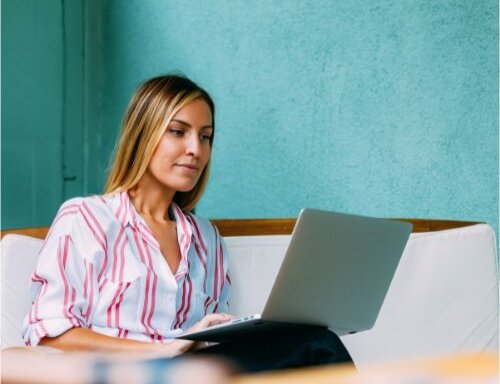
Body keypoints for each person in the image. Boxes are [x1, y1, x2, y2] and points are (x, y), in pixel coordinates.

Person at [22, 75, 353, 372]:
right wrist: (161, 350)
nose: (196, 149)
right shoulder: (86, 218)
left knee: (311, 339)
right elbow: (50, 334)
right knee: (316, 345)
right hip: (123, 375)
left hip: (191, 373)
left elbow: (210, 344)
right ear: (143, 135)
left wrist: (234, 332)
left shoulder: (205, 238)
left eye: (206, 136)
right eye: (178, 132)